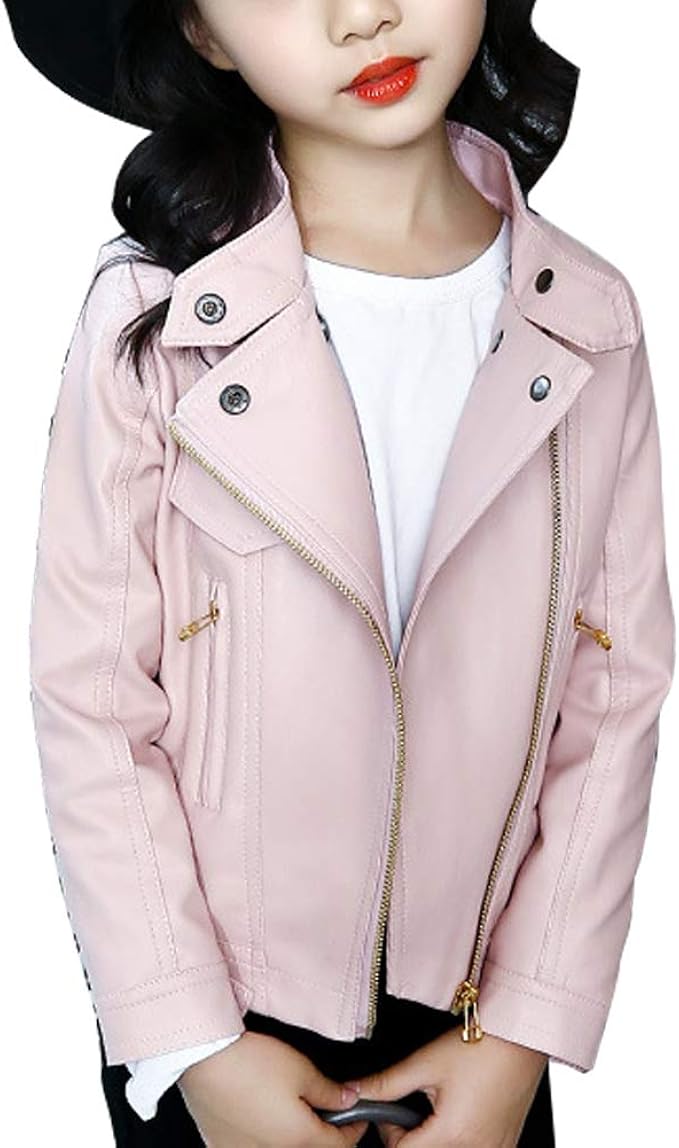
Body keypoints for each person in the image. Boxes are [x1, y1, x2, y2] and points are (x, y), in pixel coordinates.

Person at [9, 0, 674, 1144]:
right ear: (201, 31)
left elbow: (613, 699)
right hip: (222, 1027)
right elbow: (93, 701)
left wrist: (524, 1030)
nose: (363, 15)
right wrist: (190, 1044)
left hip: (474, 1034)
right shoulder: (153, 321)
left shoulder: (586, 320)